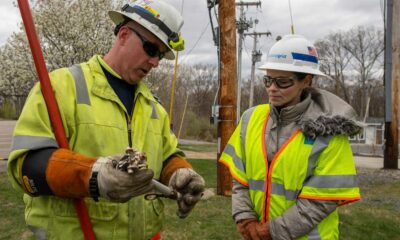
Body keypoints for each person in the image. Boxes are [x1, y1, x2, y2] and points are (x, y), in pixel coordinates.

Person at [7, 1, 205, 239]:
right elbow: (26, 166)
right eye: (151, 50)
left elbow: (167, 155)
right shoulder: (61, 88)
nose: (155, 62)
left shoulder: (153, 108)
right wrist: (94, 176)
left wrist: (179, 173)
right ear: (123, 35)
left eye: (161, 55)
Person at [219, 34, 362, 240]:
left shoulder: (330, 130)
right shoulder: (251, 119)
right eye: (268, 79)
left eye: (283, 82)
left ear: (307, 80)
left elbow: (320, 201)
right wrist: (245, 218)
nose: (272, 88)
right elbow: (240, 180)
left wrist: (270, 232)